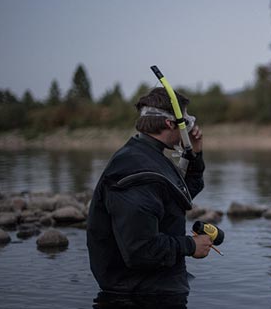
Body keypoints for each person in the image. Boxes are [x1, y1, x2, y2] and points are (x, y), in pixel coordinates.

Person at [87, 87, 212, 308]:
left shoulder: (146, 156)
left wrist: (195, 153)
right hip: (139, 295)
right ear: (170, 124)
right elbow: (140, 250)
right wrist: (190, 246)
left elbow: (181, 195)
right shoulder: (135, 170)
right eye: (186, 121)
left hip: (156, 286)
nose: (191, 127)